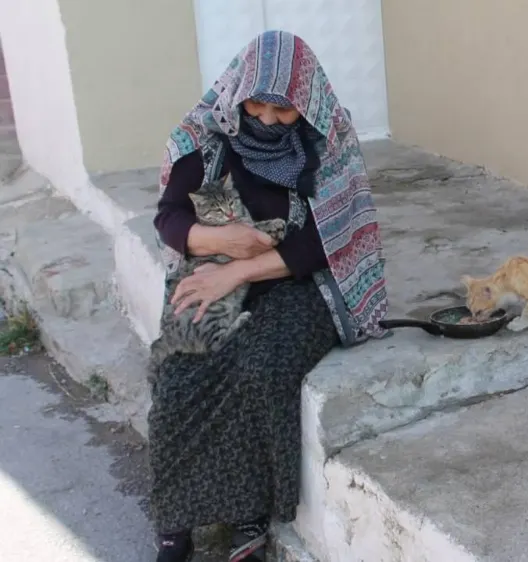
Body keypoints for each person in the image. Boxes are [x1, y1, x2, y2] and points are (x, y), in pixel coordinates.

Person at [149, 30, 390, 562]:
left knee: (263, 365)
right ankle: (176, 520)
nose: (266, 118)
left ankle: (249, 513)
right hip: (213, 268)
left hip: (298, 281)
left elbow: (329, 241)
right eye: (256, 103)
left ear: (304, 103)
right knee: (177, 371)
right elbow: (169, 217)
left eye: (283, 110)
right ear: (238, 94)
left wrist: (241, 272)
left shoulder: (328, 140)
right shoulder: (204, 136)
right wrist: (220, 246)